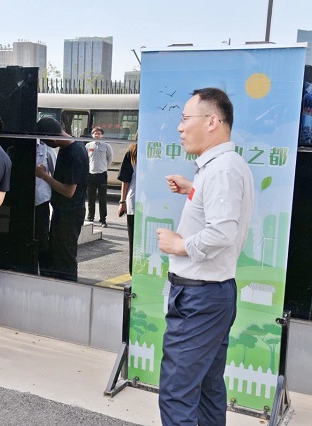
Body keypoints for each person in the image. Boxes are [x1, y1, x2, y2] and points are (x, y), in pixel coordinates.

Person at [156, 88, 254, 426]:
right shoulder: (224, 166)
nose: (180, 127)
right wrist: (192, 189)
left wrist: (178, 245)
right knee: (208, 390)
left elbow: (222, 234)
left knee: (176, 393)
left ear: (212, 121)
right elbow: (221, 216)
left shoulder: (221, 170)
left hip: (199, 298)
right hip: (211, 294)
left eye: (186, 118)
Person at [35, 117, 89, 281]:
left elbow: (68, 191)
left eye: (45, 141)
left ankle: (69, 289)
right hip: (62, 212)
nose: (45, 145)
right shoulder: (69, 147)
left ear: (52, 139)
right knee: (58, 256)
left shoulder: (74, 153)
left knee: (65, 258)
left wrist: (44, 176)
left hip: (70, 214)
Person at [35, 139, 57, 275]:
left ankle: (45, 274)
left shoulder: (46, 148)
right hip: (22, 201)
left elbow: (55, 174)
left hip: (40, 202)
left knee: (42, 239)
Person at [85, 127, 113, 227]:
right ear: (92, 135)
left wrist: (104, 167)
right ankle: (90, 217)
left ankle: (103, 219)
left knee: (102, 198)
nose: (97, 135)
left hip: (102, 174)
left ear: (102, 135)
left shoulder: (106, 146)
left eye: (99, 133)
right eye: (95, 133)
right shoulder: (88, 145)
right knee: (90, 197)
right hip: (91, 174)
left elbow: (110, 158)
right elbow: (86, 158)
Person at [117, 142, 137, 276]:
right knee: (134, 242)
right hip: (134, 201)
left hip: (150, 203)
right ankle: (133, 274)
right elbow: (125, 179)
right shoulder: (132, 152)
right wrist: (122, 201)